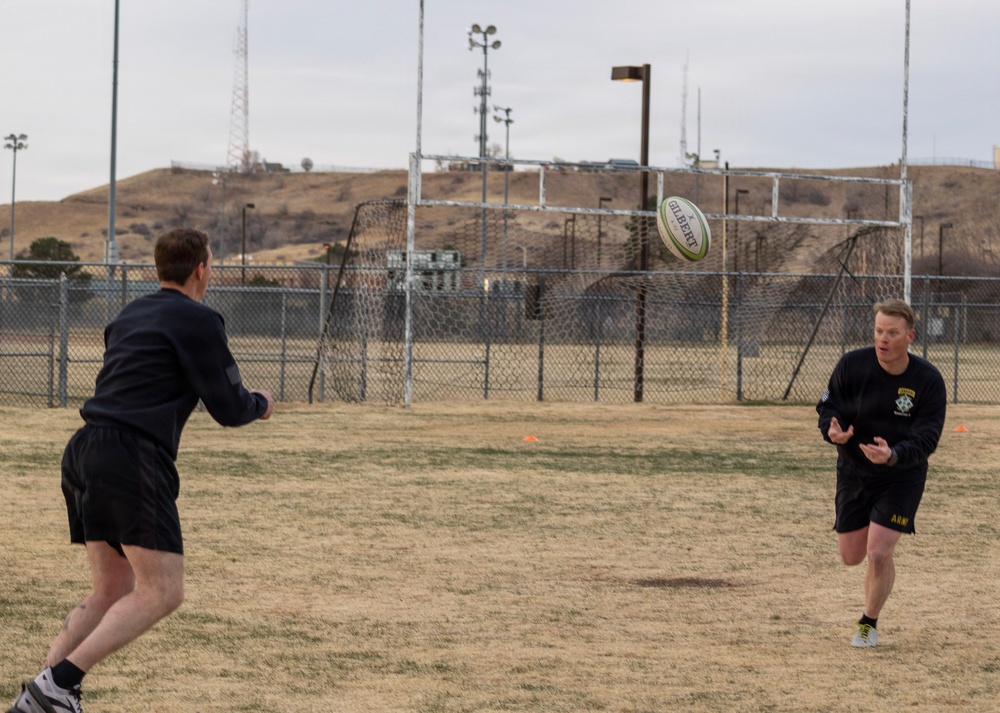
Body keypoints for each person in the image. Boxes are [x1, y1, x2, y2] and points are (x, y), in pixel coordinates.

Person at [8, 228, 274, 713]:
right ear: (201, 269)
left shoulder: (129, 314)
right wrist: (261, 404)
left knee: (112, 588)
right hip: (131, 456)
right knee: (163, 591)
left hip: (85, 448)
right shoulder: (200, 319)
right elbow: (230, 407)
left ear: (158, 269)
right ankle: (58, 685)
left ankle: (38, 700)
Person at [816, 298, 946, 649]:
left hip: (901, 476)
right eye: (878, 331)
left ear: (910, 336)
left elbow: (927, 439)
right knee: (851, 556)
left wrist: (893, 455)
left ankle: (868, 623)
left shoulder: (928, 380)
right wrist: (834, 429)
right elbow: (829, 407)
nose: (883, 339)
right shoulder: (852, 365)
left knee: (878, 552)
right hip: (854, 471)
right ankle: (876, 571)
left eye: (892, 332)